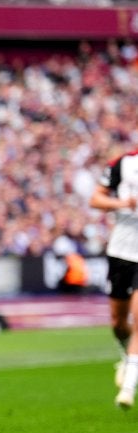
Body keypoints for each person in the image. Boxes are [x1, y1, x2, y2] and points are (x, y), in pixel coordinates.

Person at [89, 149, 138, 409]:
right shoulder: (124, 163)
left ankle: (128, 388)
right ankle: (125, 354)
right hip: (121, 252)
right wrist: (122, 204)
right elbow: (95, 199)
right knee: (119, 323)